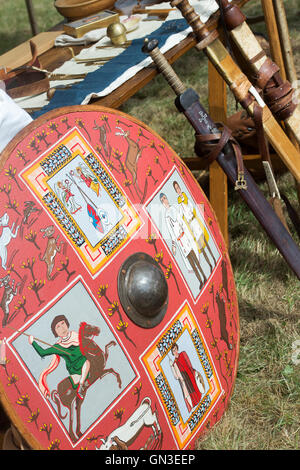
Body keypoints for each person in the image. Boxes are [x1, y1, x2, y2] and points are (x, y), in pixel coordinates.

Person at [28, 315, 90, 400]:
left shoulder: (75, 334)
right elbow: (42, 353)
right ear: (55, 332)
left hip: (83, 361)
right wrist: (33, 342)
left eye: (63, 323)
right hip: (74, 368)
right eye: (58, 327)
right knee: (87, 362)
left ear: (67, 323)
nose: (62, 328)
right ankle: (80, 386)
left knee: (87, 361)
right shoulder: (58, 346)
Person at [160, 192, 207, 289]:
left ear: (167, 198)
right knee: (190, 261)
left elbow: (181, 222)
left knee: (195, 258)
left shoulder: (174, 209)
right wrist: (174, 245)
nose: (164, 201)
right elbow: (171, 232)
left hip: (185, 237)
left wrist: (188, 234)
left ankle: (204, 276)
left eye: (165, 198)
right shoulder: (166, 216)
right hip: (180, 241)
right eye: (162, 200)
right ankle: (200, 280)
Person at [173, 181, 217, 273]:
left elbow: (191, 206)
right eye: (176, 189)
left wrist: (184, 200)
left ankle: (213, 258)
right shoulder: (179, 205)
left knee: (205, 242)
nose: (178, 190)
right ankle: (209, 265)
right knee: (200, 247)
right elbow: (181, 216)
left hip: (195, 221)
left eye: (178, 187)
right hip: (190, 225)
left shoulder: (185, 198)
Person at [170, 343, 204, 413]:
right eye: (173, 351)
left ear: (177, 348)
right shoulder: (174, 363)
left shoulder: (183, 353)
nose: (175, 352)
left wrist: (192, 371)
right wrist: (172, 366)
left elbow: (188, 362)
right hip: (183, 377)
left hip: (189, 372)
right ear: (172, 353)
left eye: (175, 349)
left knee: (195, 387)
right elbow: (176, 376)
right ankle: (193, 404)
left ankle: (198, 400)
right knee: (189, 391)